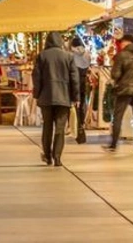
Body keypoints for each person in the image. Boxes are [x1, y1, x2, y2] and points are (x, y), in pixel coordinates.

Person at [32, 32, 79, 167]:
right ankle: (57, 157)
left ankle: (47, 156)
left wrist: (37, 94)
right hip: (64, 97)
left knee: (47, 127)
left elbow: (37, 78)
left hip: (46, 97)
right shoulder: (68, 57)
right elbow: (74, 79)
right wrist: (75, 96)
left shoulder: (42, 56)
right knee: (60, 128)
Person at [106, 34, 133, 154]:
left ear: (127, 42)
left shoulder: (122, 55)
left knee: (118, 117)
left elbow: (115, 74)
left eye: (122, 42)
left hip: (124, 90)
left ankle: (113, 145)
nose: (121, 44)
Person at [71, 36, 91, 144]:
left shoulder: (71, 55)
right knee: (82, 104)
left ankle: (76, 128)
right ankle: (81, 126)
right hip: (84, 83)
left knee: (74, 107)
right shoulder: (87, 54)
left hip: (75, 84)